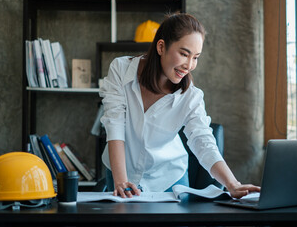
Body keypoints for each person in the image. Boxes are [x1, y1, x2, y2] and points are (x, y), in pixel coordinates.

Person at [99, 13, 260, 199]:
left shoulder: (191, 96)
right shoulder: (121, 70)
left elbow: (203, 142)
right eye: (184, 54)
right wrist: (120, 181)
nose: (189, 65)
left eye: (196, 57)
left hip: (169, 178)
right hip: (120, 171)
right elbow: (115, 125)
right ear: (161, 47)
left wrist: (232, 184)